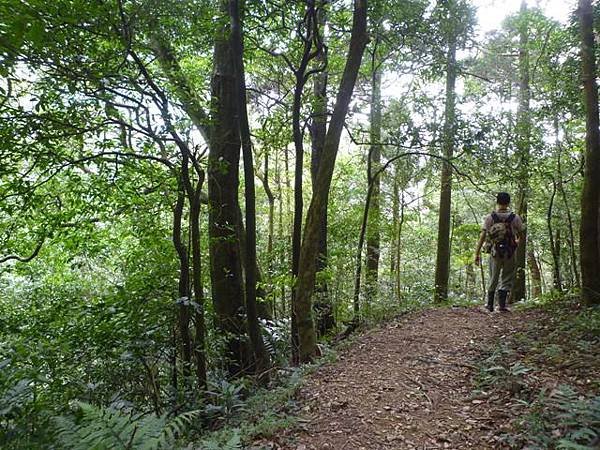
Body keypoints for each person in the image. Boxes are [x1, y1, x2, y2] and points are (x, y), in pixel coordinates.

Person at [474, 192, 524, 312]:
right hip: (510, 252)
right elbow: (521, 234)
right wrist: (516, 243)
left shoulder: (490, 217)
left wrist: (477, 253)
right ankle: (502, 306)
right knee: (506, 277)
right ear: (508, 202)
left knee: (493, 277)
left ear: (497, 202)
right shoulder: (515, 217)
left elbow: (483, 235)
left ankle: (490, 305)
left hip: (495, 252)